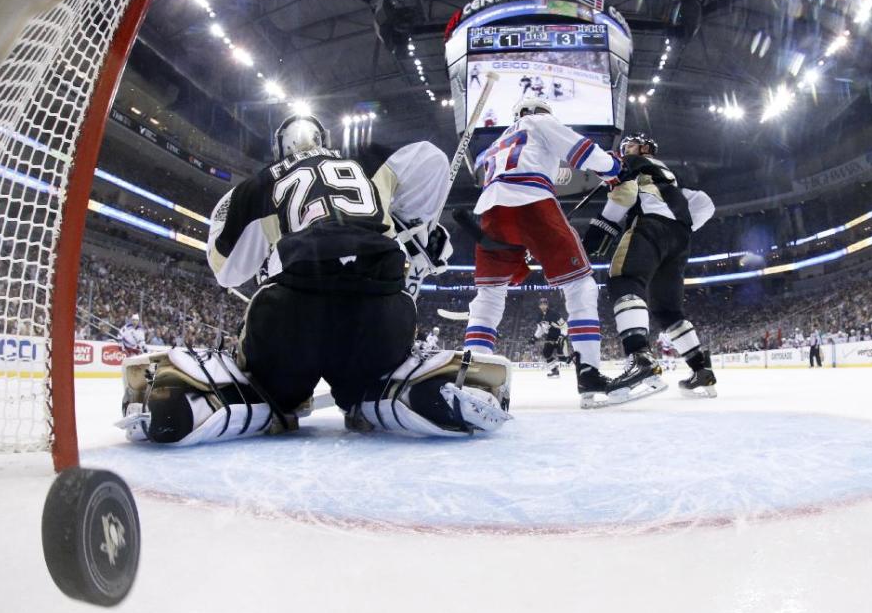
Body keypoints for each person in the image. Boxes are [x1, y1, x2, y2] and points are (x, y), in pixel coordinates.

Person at [118, 115, 512, 444]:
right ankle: (405, 392)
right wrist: (416, 232)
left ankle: (209, 401)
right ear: (325, 140)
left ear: (279, 148)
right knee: (369, 391)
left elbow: (227, 271)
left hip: (293, 312)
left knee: (271, 397)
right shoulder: (364, 175)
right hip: (380, 314)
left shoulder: (258, 184)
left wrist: (269, 247)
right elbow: (430, 157)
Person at [464, 97, 622, 407]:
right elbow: (585, 152)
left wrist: (520, 244)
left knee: (489, 296)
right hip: (532, 199)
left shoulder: (500, 140)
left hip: (491, 210)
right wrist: (612, 167)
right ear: (544, 112)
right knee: (580, 285)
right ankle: (589, 376)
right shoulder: (540, 122)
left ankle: (473, 382)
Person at [582, 133, 718, 401]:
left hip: (650, 227)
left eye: (629, 146)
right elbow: (705, 203)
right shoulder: (670, 181)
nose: (625, 151)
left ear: (643, 149)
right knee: (667, 311)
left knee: (624, 279)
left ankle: (639, 358)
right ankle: (702, 370)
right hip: (679, 239)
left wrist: (599, 230)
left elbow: (625, 190)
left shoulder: (633, 162)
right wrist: (681, 227)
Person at [532, 296, 569, 378]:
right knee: (546, 353)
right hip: (550, 337)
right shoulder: (539, 317)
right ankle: (554, 371)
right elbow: (540, 329)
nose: (543, 306)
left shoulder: (554, 314)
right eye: (541, 304)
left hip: (559, 335)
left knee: (562, 357)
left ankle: (580, 367)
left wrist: (562, 336)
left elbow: (564, 326)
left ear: (547, 305)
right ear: (539, 306)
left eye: (544, 304)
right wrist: (534, 338)